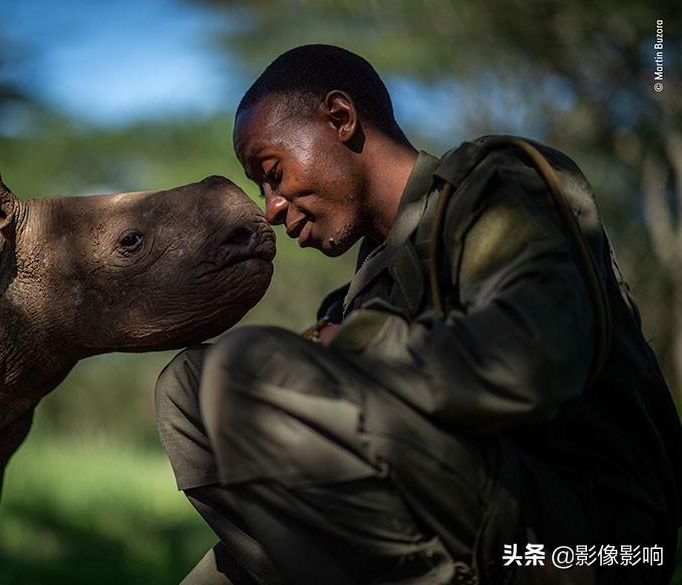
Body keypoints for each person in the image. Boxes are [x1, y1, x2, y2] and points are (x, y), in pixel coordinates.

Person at [154, 44, 682, 585]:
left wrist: (356, 349)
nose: (270, 207)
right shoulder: (356, 295)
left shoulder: (495, 185)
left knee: (237, 369)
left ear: (340, 118)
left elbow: (535, 359)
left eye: (273, 173)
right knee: (184, 388)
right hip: (456, 522)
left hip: (578, 547)